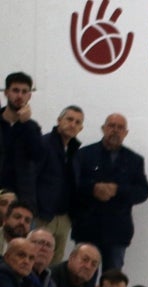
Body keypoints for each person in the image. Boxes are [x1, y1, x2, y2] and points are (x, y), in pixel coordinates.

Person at [73, 114, 148, 271]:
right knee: (81, 276)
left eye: (120, 128)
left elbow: (143, 191)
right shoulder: (84, 155)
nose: (115, 131)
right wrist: (93, 189)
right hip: (87, 228)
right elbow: (72, 184)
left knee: (113, 280)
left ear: (126, 133)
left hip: (117, 232)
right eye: (111, 126)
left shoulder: (134, 160)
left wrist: (118, 190)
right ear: (103, 128)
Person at [35, 105, 84, 265]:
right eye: (69, 119)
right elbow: (31, 179)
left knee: (54, 263)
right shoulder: (43, 144)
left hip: (64, 218)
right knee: (35, 259)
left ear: (80, 128)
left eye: (77, 122)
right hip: (42, 216)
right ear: (59, 120)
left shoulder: (74, 151)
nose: (72, 124)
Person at [0, 72, 43, 210]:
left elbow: (38, 156)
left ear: (29, 96)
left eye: (24, 92)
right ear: (6, 93)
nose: (20, 96)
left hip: (22, 201)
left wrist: (26, 124)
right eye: (15, 90)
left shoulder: (32, 127)